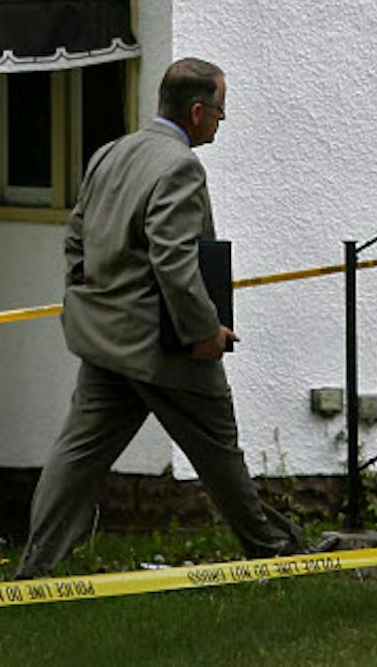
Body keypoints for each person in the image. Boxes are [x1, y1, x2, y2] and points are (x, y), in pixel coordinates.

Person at [19, 58, 303, 576]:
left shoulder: (112, 152)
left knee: (78, 454)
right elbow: (173, 258)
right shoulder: (180, 166)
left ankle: (36, 567)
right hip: (165, 342)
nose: (221, 120)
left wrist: (92, 299)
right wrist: (204, 331)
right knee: (219, 452)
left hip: (105, 338)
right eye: (220, 111)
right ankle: (274, 552)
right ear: (197, 112)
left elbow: (76, 239)